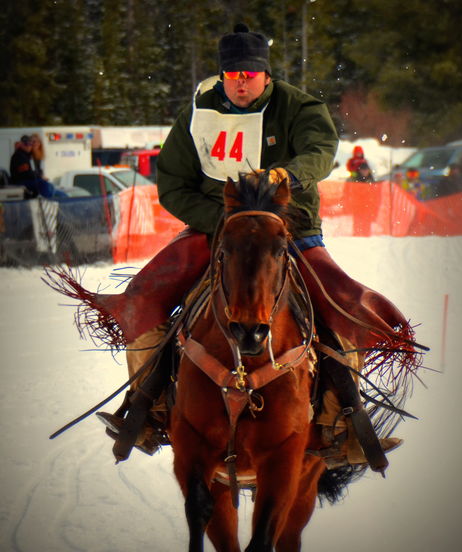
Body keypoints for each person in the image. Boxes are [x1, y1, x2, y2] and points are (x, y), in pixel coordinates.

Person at [61, 24, 415, 465]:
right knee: (142, 295)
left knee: (342, 302)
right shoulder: (199, 113)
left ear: (266, 74)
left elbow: (321, 150)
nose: (241, 81)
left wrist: (289, 174)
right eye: (233, 74)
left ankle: (341, 425)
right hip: (216, 231)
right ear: (223, 75)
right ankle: (147, 410)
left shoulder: (298, 106)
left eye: (250, 72)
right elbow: (172, 183)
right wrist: (221, 221)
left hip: (288, 231)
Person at [10, 135, 67, 199]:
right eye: (26, 144)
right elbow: (25, 173)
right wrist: (40, 177)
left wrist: (39, 176)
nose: (29, 146)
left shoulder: (28, 156)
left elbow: (35, 170)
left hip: (29, 179)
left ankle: (56, 201)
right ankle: (47, 202)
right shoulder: (19, 156)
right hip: (21, 181)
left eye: (30, 144)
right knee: (43, 184)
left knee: (55, 189)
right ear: (21, 144)